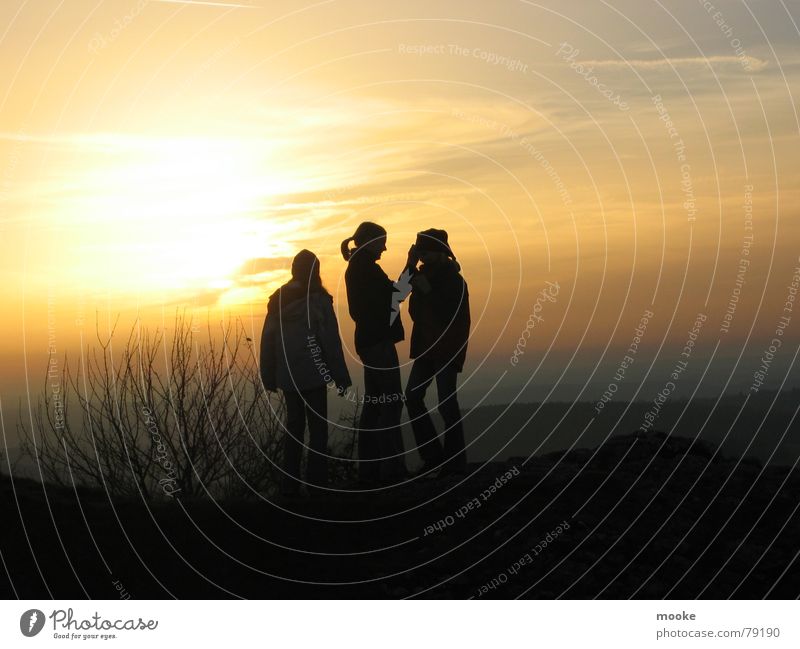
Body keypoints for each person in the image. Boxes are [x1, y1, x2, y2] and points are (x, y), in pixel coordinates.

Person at [260, 249, 351, 497]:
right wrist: (340, 377)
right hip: (313, 376)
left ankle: (289, 487)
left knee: (294, 429)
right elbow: (330, 341)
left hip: (289, 377)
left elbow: (267, 340)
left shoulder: (277, 300)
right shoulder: (318, 301)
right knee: (318, 431)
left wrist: (268, 375)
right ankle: (317, 487)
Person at [341, 221, 413, 486]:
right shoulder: (366, 269)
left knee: (374, 406)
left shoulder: (359, 267)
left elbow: (390, 297)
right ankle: (392, 469)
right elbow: (395, 296)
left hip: (368, 341)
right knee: (391, 402)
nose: (385, 247)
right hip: (378, 342)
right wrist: (410, 267)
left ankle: (370, 471)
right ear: (370, 241)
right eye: (381, 241)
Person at [404, 229, 470, 477]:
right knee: (412, 397)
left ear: (441, 252)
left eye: (425, 252)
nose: (422, 257)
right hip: (425, 347)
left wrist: (427, 291)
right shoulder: (421, 275)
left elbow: (448, 315)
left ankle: (454, 463)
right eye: (420, 253)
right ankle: (434, 456)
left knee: (445, 403)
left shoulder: (454, 280)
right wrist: (409, 266)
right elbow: (399, 295)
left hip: (446, 348)